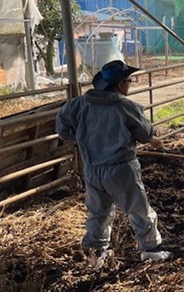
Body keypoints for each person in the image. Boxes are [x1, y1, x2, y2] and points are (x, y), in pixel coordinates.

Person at [55, 60, 173, 268]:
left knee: (98, 211)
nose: (130, 84)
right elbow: (144, 133)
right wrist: (154, 141)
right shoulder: (125, 106)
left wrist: (82, 138)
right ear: (120, 85)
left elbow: (63, 129)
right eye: (129, 80)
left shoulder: (78, 105)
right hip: (121, 169)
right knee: (138, 209)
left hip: (92, 169)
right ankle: (151, 250)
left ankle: (97, 254)